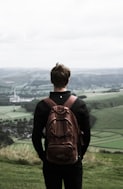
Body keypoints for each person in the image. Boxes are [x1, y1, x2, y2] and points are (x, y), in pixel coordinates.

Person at [32, 63, 91, 189]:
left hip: (51, 161)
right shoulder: (80, 105)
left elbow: (35, 137)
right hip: (73, 161)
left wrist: (44, 157)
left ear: (51, 80)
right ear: (68, 79)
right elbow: (87, 136)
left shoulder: (42, 106)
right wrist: (79, 155)